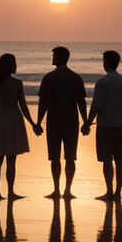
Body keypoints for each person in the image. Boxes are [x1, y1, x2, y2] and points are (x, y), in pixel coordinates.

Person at [36, 46, 88, 199]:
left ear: (59, 58)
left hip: (53, 122)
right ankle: (68, 190)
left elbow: (43, 102)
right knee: (70, 157)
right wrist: (85, 122)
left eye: (54, 56)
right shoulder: (76, 78)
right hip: (71, 122)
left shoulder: (48, 77)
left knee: (55, 157)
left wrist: (38, 122)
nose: (52, 59)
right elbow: (81, 102)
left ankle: (57, 189)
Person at [0, 53, 41, 200]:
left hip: (0, 117)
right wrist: (33, 124)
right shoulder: (17, 83)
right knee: (11, 159)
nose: (16, 66)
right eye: (14, 63)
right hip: (14, 117)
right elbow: (23, 106)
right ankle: (10, 192)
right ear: (9, 66)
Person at [81, 50, 122, 201]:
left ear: (107, 63)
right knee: (119, 159)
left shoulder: (102, 83)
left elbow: (96, 106)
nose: (103, 63)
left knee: (106, 160)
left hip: (105, 126)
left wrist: (87, 124)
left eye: (103, 60)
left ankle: (109, 191)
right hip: (120, 125)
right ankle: (118, 192)